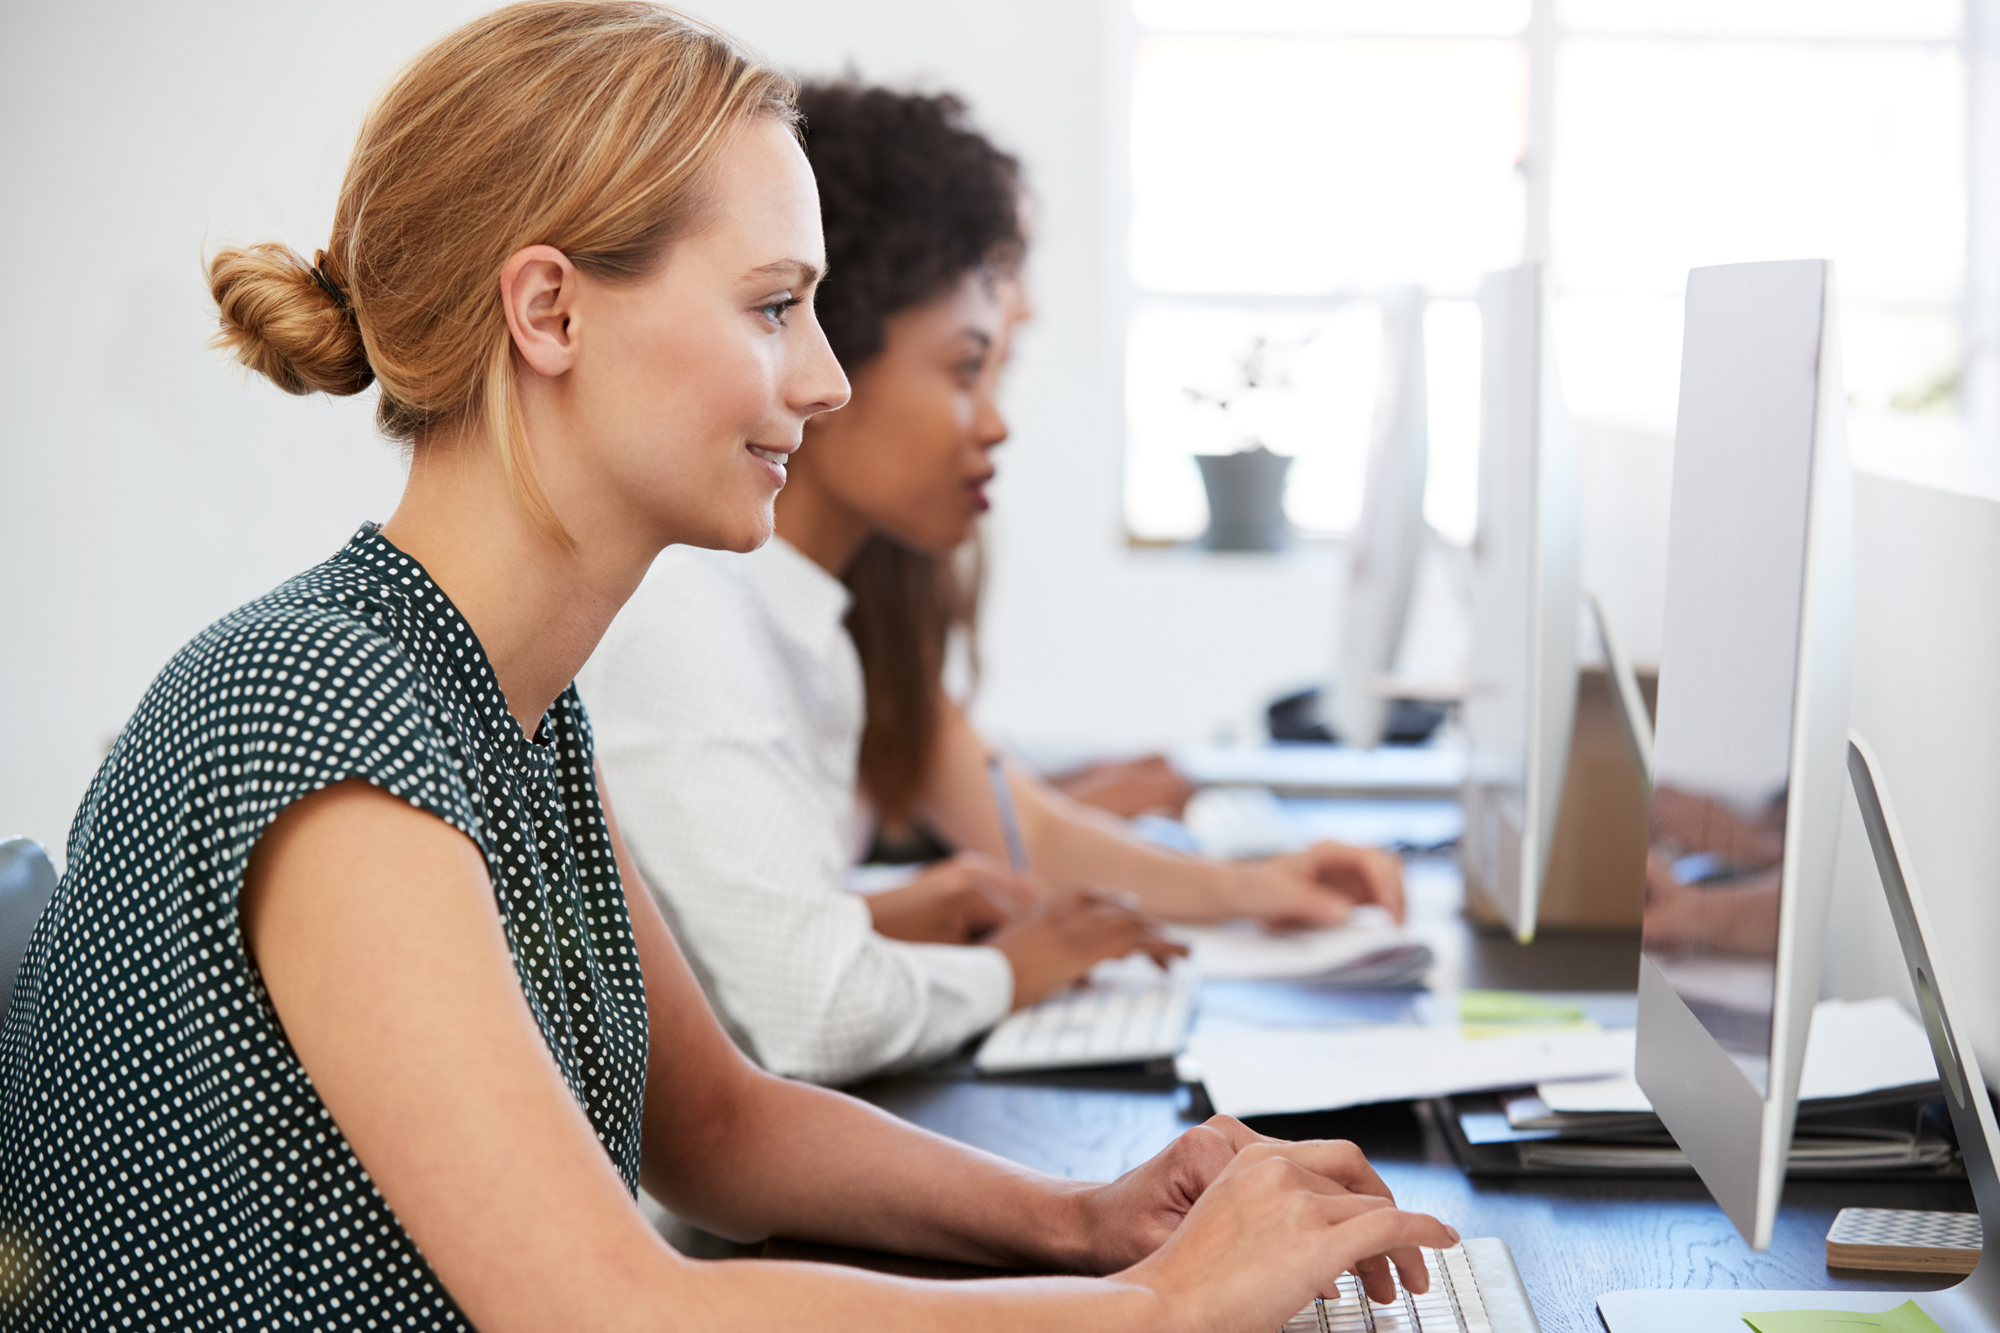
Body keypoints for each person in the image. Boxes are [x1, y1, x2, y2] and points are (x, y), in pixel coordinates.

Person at [0, 6, 1457, 1328]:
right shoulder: (318, 704)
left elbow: (720, 1127)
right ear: (550, 312)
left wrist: (1088, 1221)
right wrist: (1160, 1311)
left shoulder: (507, 705)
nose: (821, 380)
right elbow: (602, 1311)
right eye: (774, 307)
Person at [580, 82, 1405, 1086]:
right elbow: (809, 1014)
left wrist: (1245, 884)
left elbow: (714, 943)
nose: (995, 421)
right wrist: (1004, 967)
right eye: (969, 366)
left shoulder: (818, 623)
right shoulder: (693, 617)